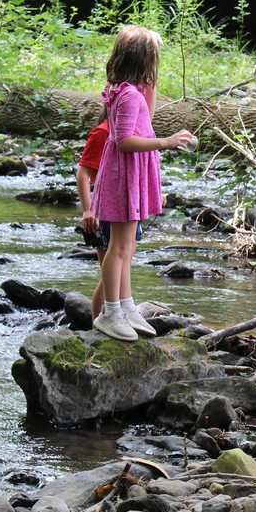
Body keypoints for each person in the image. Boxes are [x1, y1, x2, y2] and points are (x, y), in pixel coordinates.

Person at [91, 25, 194, 340]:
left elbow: (143, 119)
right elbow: (124, 141)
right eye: (154, 59)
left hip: (130, 175)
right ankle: (110, 312)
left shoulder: (127, 91)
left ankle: (125, 304)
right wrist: (167, 141)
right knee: (119, 248)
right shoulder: (129, 96)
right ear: (144, 61)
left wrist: (150, 86)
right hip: (123, 176)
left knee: (126, 246)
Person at [75, 61, 158, 323]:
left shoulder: (132, 121)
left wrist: (150, 84)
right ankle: (101, 319)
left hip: (125, 201)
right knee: (111, 265)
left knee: (123, 259)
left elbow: (148, 119)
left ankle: (120, 311)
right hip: (107, 208)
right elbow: (83, 172)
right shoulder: (103, 134)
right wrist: (88, 209)